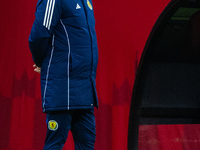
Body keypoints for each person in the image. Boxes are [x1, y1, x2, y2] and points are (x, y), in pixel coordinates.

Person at [28, 0, 98, 149]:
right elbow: (39, 35)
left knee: (87, 144)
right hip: (63, 87)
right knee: (55, 144)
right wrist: (42, 63)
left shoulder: (86, 1)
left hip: (84, 90)